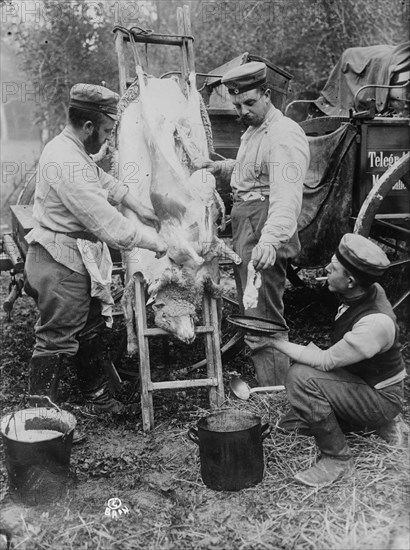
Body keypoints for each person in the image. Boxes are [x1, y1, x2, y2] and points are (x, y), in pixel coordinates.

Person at [24, 83, 167, 415]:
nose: (106, 139)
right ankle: (39, 418)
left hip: (72, 257)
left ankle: (97, 397)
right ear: (88, 126)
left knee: (90, 324)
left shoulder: (72, 150)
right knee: (56, 341)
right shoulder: (65, 160)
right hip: (59, 264)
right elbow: (111, 228)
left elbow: (104, 182)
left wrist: (140, 206)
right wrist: (157, 242)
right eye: (105, 131)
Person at [201, 61, 310, 385]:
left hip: (264, 225)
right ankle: (274, 384)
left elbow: (286, 197)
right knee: (254, 309)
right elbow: (255, 169)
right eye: (237, 105)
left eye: (249, 103)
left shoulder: (283, 134)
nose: (243, 111)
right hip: (250, 222)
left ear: (266, 94)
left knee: (263, 317)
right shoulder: (255, 130)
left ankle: (278, 394)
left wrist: (269, 241)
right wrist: (222, 169)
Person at [271, 233, 407, 488]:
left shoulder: (375, 323)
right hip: (362, 381)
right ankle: (375, 425)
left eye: (333, 267)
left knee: (299, 377)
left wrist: (275, 342)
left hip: (381, 397)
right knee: (290, 424)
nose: (326, 269)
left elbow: (325, 361)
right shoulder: (365, 291)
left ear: (351, 281)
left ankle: (338, 458)